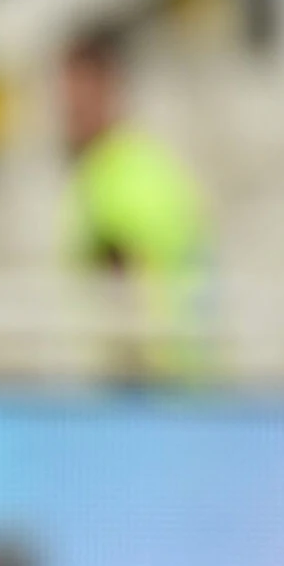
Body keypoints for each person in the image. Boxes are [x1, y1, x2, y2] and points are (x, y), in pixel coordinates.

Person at [60, 29, 210, 381]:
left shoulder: (116, 179)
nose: (71, 110)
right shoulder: (143, 166)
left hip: (149, 387)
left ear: (109, 89)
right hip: (180, 384)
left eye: (80, 98)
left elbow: (124, 283)